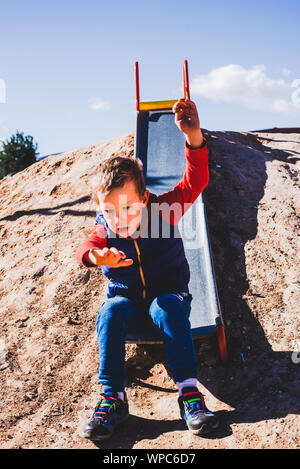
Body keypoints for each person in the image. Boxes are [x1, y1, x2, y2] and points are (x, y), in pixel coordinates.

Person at [75, 99, 219, 440]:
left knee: (167, 307)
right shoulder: (106, 228)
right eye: (109, 211)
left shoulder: (163, 212)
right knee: (110, 310)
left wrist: (194, 137)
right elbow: (85, 247)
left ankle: (189, 394)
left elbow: (195, 181)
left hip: (167, 297)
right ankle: (113, 398)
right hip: (130, 304)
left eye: (127, 208)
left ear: (144, 199)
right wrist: (98, 258)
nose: (118, 218)